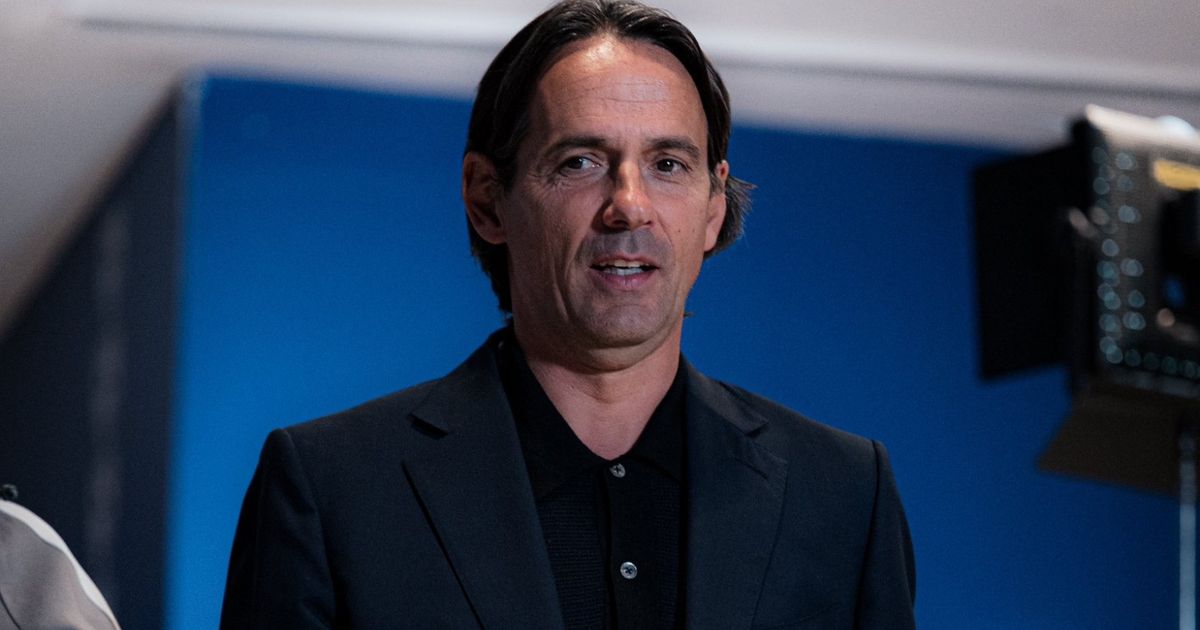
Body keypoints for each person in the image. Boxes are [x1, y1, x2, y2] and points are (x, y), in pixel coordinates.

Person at [220, 1, 916, 628]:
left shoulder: (843, 493)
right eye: (581, 161)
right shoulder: (333, 488)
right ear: (487, 198)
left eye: (669, 165)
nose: (630, 206)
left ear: (713, 208)